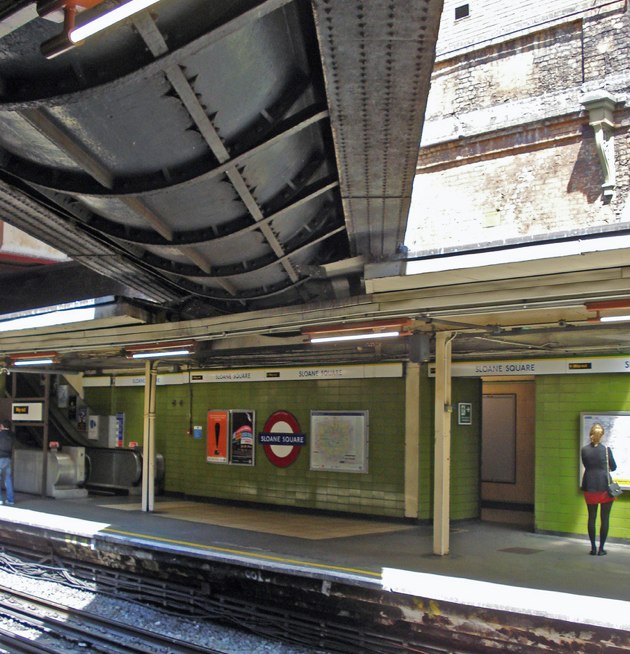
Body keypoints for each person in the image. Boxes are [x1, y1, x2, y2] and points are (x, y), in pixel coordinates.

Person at [581, 423, 616, 555]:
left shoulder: (584, 450)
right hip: (604, 487)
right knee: (605, 518)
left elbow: (586, 464)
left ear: (590, 434)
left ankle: (593, 548)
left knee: (591, 517)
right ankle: (601, 549)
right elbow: (613, 467)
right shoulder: (606, 450)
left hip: (589, 486)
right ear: (601, 436)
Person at [0, 419, 15, 506]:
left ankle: (0, 500)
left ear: (2, 426)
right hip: (8, 459)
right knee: (8, 479)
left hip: (0, 458)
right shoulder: (12, 435)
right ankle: (10, 499)